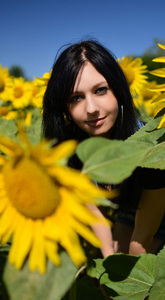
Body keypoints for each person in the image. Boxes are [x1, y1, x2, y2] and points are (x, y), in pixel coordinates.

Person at [42, 39, 165, 257]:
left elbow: (142, 238)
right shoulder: (72, 147)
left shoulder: (151, 149)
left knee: (140, 275)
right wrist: (108, 255)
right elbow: (93, 206)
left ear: (118, 90)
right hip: (128, 209)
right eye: (76, 98)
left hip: (160, 212)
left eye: (100, 91)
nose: (91, 109)